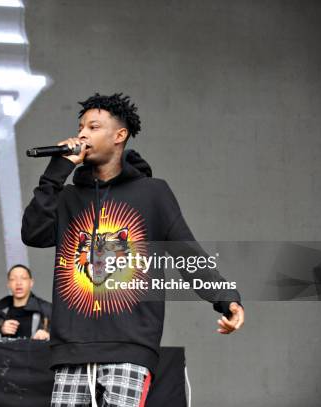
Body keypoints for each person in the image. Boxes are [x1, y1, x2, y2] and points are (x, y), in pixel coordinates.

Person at [21, 93, 245, 407]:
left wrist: (226, 299)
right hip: (71, 347)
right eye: (80, 126)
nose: (83, 133)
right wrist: (55, 174)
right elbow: (33, 234)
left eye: (93, 126)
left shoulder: (153, 193)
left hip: (130, 347)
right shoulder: (68, 197)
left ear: (119, 135)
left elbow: (187, 255)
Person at [0, 264, 52, 340]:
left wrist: (48, 336)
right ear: (8, 284)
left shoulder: (47, 309)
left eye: (23, 278)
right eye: (13, 279)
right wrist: (0, 331)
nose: (18, 283)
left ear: (31, 283)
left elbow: (64, 338)